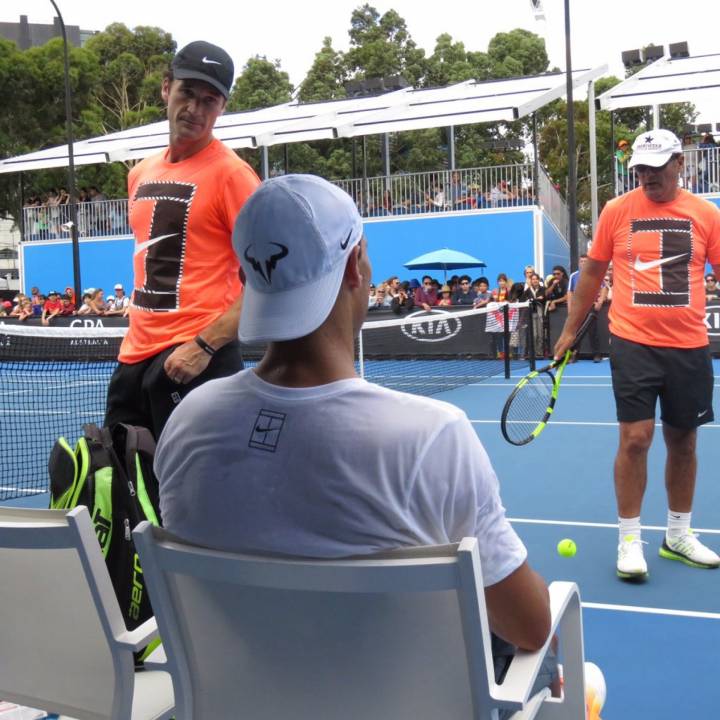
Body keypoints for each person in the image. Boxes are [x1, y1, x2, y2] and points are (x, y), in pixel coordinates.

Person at [155, 174, 558, 708]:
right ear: (355, 266)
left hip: (248, 701)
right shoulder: (433, 436)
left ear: (245, 276)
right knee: (552, 658)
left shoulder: (187, 421)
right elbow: (530, 626)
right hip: (394, 700)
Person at [554, 129, 720, 579]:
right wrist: (570, 329)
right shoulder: (616, 211)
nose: (647, 176)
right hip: (632, 342)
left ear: (679, 164)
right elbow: (591, 272)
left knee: (684, 442)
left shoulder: (706, 214)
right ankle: (629, 538)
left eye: (657, 166)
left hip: (689, 345)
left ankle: (678, 535)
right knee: (636, 439)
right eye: (640, 169)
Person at [104, 40, 261, 439]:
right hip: (133, 360)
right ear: (166, 88)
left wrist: (205, 346)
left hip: (198, 358)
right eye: (187, 93)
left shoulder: (234, 176)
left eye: (210, 100)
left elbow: (270, 281)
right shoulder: (139, 173)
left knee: (201, 497)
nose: (195, 109)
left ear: (222, 107)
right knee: (121, 491)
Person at [568, 254, 605, 363]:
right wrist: (570, 308)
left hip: (591, 307)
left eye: (586, 261)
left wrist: (600, 301)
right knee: (576, 332)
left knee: (593, 332)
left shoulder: (595, 274)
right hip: (577, 309)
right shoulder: (573, 276)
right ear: (579, 263)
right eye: (582, 261)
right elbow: (570, 293)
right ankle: (574, 355)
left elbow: (603, 288)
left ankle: (597, 355)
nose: (583, 263)